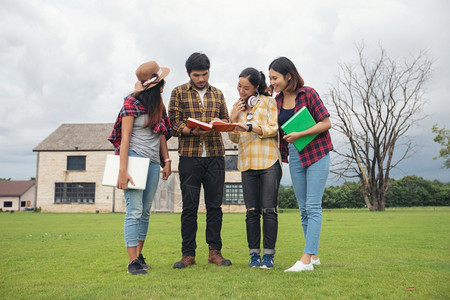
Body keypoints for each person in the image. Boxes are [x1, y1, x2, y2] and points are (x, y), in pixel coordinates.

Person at [268, 57, 333, 272]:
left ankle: (306, 260)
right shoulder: (276, 101)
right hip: (295, 155)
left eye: (275, 77)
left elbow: (326, 123)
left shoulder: (309, 93)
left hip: (316, 153)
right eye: (270, 78)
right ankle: (313, 256)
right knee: (303, 209)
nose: (273, 81)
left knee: (313, 206)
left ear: (289, 75)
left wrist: (300, 134)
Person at [168, 52, 232, 269]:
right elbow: (173, 124)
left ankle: (215, 252)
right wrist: (192, 131)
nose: (202, 79)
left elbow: (226, 119)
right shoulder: (177, 93)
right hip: (189, 158)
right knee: (189, 208)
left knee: (215, 207)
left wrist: (220, 123)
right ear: (188, 73)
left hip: (215, 156)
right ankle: (188, 255)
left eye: (205, 74)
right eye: (197, 75)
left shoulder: (219, 94)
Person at [108, 61, 172, 275]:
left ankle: (138, 257)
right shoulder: (130, 103)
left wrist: (167, 160)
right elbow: (125, 138)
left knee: (145, 212)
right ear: (155, 86)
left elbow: (161, 134)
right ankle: (131, 261)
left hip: (153, 162)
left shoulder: (158, 106)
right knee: (134, 211)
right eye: (162, 82)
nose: (164, 85)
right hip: (134, 160)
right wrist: (122, 170)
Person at [228, 68, 282, 269]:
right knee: (251, 212)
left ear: (256, 88)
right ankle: (253, 255)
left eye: (246, 87)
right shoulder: (237, 106)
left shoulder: (269, 102)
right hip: (247, 163)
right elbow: (233, 137)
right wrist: (233, 119)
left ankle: (269, 255)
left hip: (268, 162)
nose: (241, 90)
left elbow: (273, 128)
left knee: (269, 210)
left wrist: (251, 127)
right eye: (239, 86)